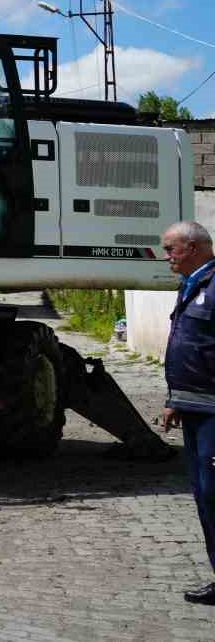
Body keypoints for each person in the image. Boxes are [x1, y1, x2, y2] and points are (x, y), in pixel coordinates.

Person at [160, 219, 215, 604]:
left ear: (192, 247)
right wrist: (174, 399)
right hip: (193, 407)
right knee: (203, 495)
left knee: (214, 492)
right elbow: (187, 344)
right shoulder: (193, 284)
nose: (166, 257)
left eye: (170, 249)